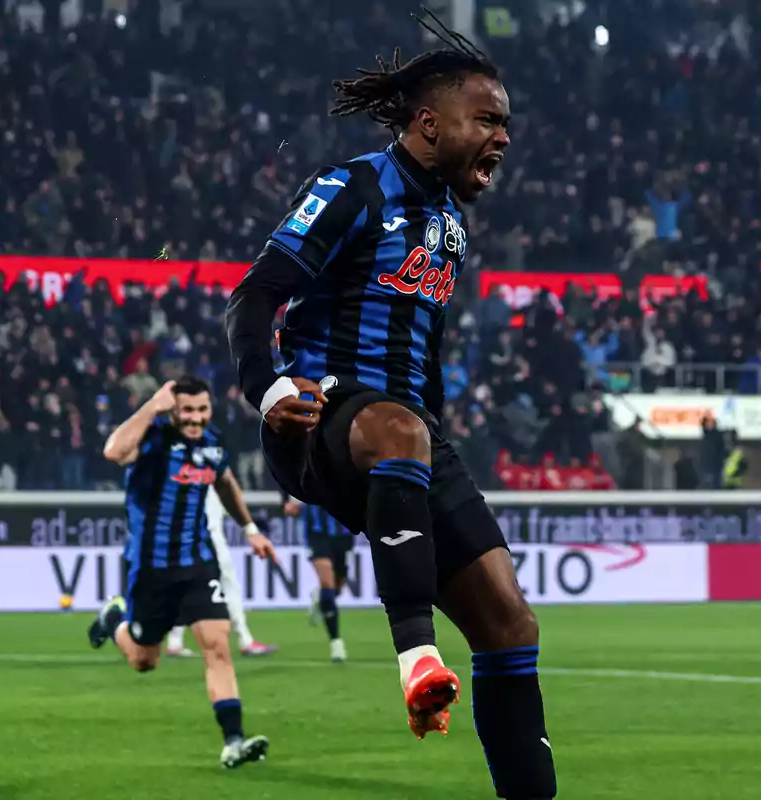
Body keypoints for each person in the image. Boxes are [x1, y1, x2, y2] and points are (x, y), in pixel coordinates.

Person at [226, 11, 556, 798]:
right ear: (430, 123)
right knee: (398, 427)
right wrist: (268, 389)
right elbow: (254, 297)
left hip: (407, 436)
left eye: (507, 124)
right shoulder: (351, 187)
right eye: (488, 120)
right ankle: (415, 658)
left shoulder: (447, 225)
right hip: (317, 416)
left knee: (511, 624)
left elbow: (423, 354)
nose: (503, 138)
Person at [87, 377, 278, 768]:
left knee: (217, 646)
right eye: (187, 411)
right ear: (172, 409)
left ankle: (233, 741)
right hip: (151, 568)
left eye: (201, 410)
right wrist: (151, 407)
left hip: (196, 562)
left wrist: (251, 530)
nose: (195, 418)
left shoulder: (213, 443)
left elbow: (225, 483)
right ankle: (115, 620)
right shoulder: (152, 436)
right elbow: (114, 452)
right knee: (144, 660)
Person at [166, 486, 278, 658]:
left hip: (183, 541)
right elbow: (227, 500)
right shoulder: (209, 476)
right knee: (229, 586)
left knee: (183, 587)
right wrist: (251, 526)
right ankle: (245, 640)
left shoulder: (182, 477)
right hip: (210, 540)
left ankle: (175, 642)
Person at [283, 493, 354, 662]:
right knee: (328, 587)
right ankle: (336, 643)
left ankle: (319, 596)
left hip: (343, 533)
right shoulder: (306, 470)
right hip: (317, 535)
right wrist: (292, 507)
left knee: (337, 586)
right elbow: (291, 506)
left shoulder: (346, 470)